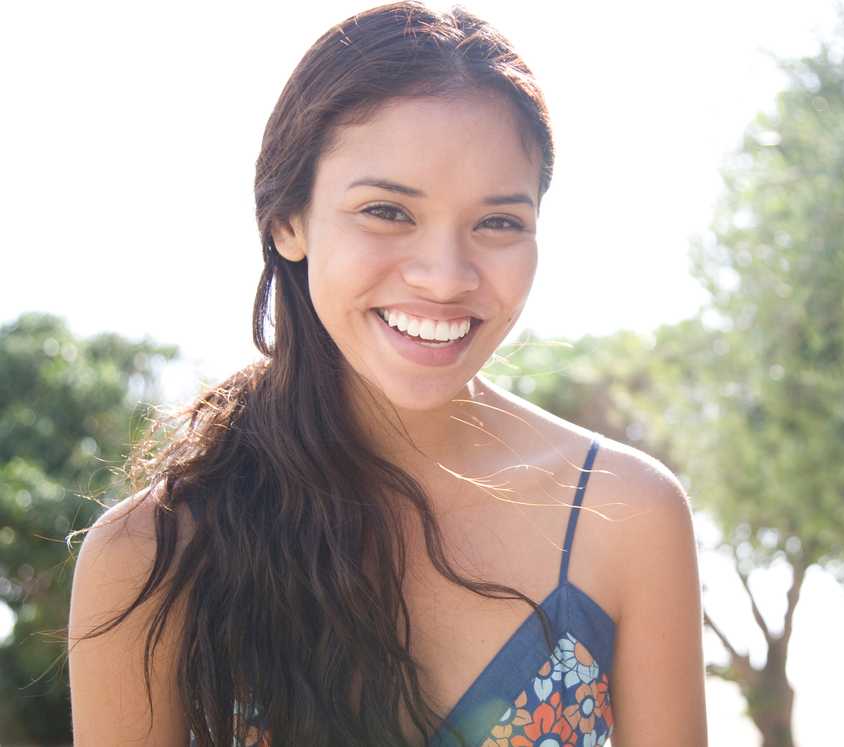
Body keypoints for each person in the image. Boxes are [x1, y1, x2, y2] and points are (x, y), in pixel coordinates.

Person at [66, 2, 707, 745]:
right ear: (288, 220)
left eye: (498, 222)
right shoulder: (154, 554)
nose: (444, 277)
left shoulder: (626, 516)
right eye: (387, 211)